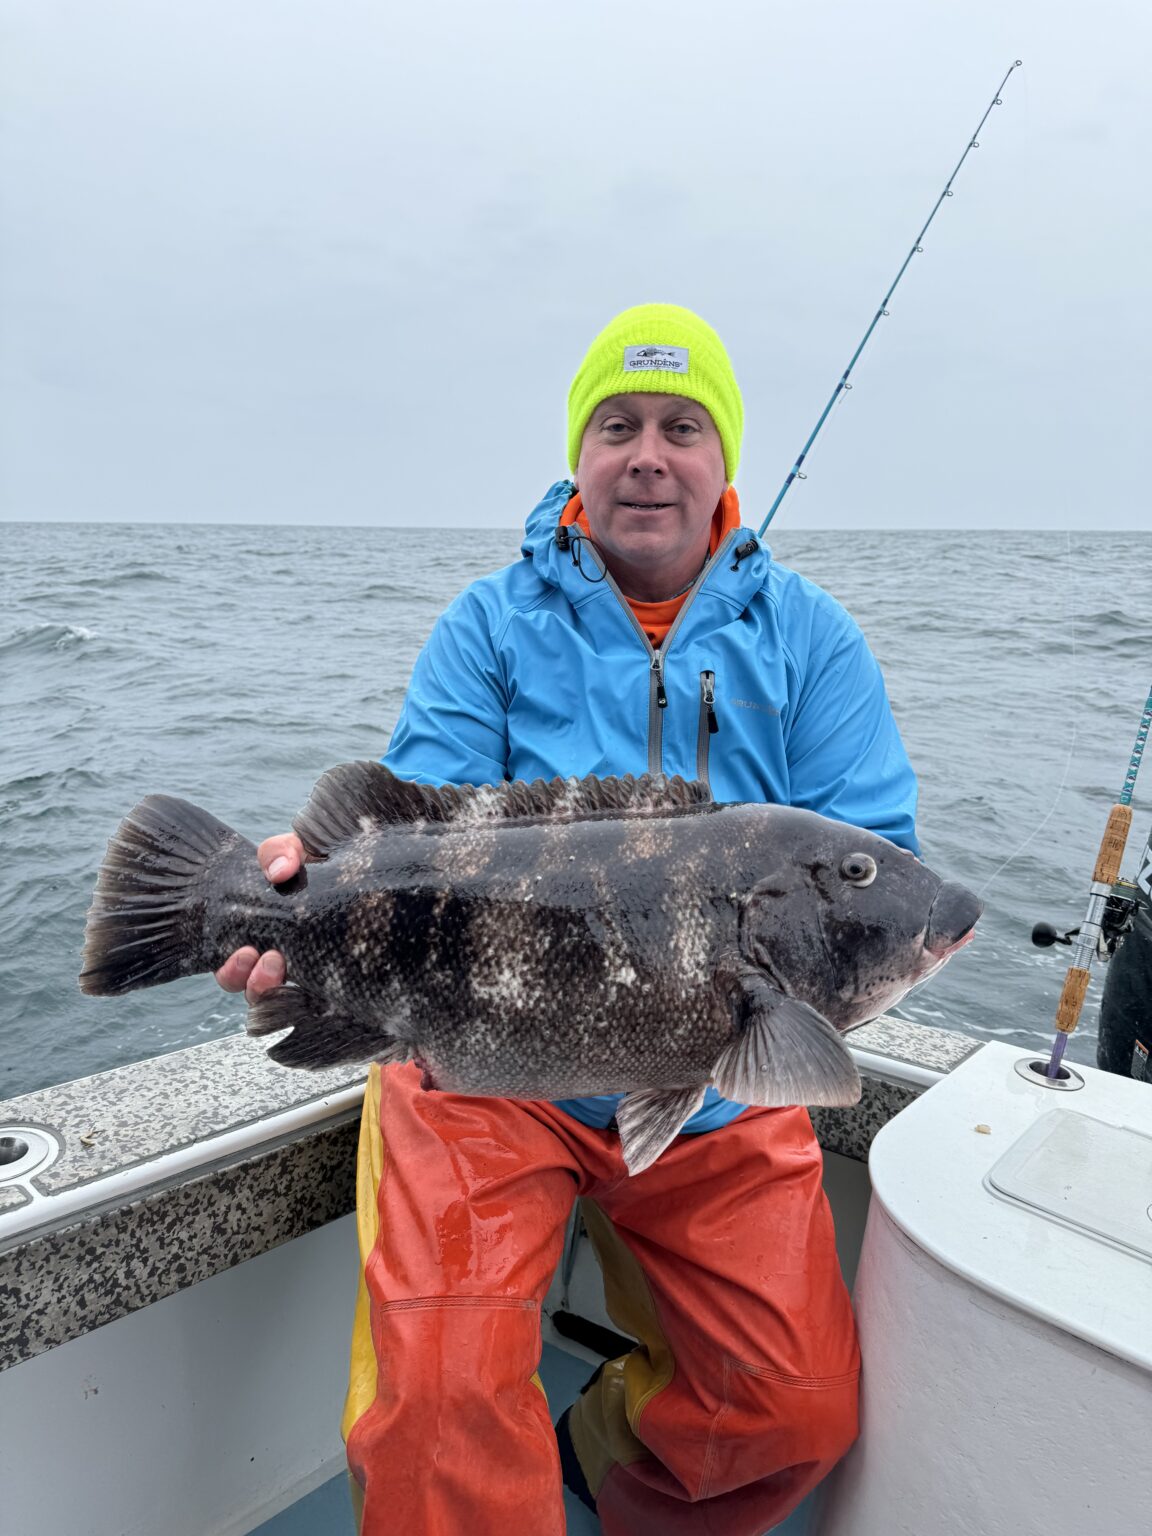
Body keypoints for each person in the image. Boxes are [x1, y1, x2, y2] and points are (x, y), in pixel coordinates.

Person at [216, 304, 920, 1536]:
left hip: (719, 1084)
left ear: (724, 462)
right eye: (619, 425)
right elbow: (406, 840)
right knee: (435, 1416)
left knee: (792, 1406)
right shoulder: (489, 627)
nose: (649, 453)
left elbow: (880, 867)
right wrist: (298, 903)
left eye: (682, 426)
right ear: (580, 458)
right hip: (483, 1073)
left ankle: (600, 1457)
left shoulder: (812, 642)